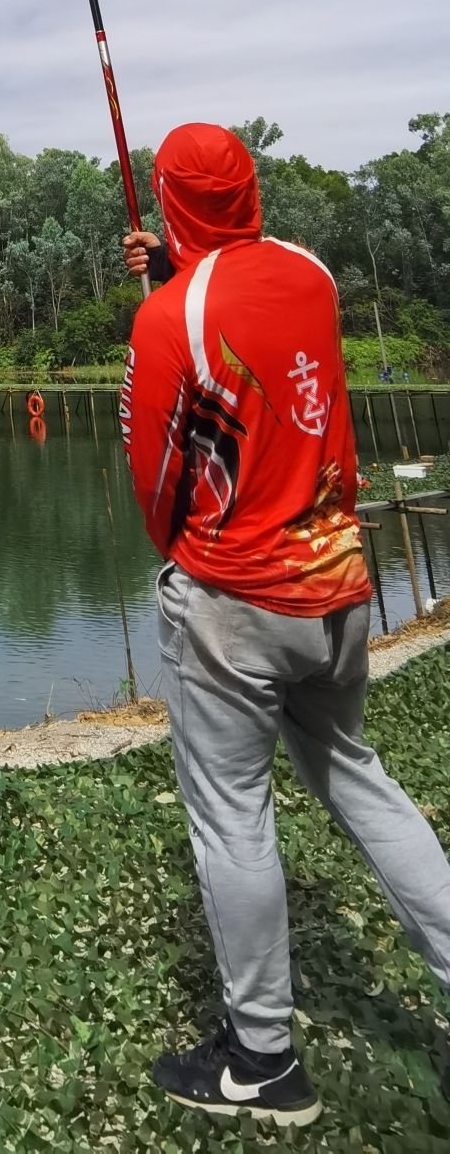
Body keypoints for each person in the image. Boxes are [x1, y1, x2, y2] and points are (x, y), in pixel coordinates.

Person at [120, 122, 450, 1127]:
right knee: (356, 774)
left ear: (169, 202)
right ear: (251, 191)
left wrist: (168, 290)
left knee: (233, 820)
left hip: (235, 607)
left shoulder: (166, 320)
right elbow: (246, 301)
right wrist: (180, 264)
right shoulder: (310, 277)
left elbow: (156, 485)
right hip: (342, 592)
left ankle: (261, 1060)